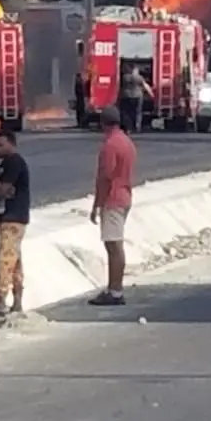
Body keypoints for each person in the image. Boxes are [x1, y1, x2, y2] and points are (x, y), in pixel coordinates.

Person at [0, 129, 31, 319]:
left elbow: (2, 190)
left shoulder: (14, 163)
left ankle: (1, 301)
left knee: (5, 258)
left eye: (1, 145)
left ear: (11, 144)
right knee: (15, 259)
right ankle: (17, 301)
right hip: (10, 215)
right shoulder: (5, 164)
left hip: (14, 216)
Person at [90, 105, 136, 306]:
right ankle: (114, 288)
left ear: (103, 124)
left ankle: (115, 290)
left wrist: (97, 204)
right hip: (125, 195)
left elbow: (105, 177)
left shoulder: (110, 145)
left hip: (113, 198)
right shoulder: (126, 142)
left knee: (113, 246)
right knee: (116, 245)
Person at [119, 65, 152, 134]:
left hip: (126, 96)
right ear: (136, 71)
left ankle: (128, 128)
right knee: (138, 112)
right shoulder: (139, 77)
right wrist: (151, 94)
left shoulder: (125, 77)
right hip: (137, 96)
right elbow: (145, 86)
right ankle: (137, 127)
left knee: (127, 112)